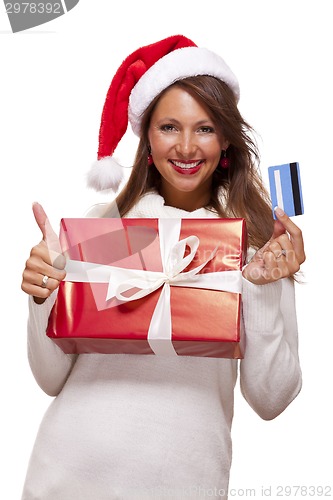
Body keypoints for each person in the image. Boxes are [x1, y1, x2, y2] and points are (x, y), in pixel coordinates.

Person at [21, 35, 305, 499]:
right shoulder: (103, 228)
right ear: (147, 138)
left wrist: (261, 290)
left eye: (206, 128)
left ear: (227, 137)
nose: (187, 147)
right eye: (170, 127)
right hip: (66, 476)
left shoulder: (258, 246)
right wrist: (44, 294)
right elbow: (50, 379)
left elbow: (272, 399)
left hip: (185, 485)